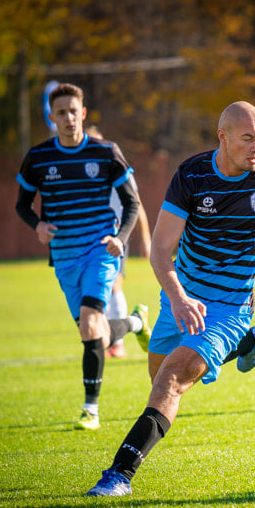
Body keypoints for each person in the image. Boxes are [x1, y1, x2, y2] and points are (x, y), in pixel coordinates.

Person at [86, 101, 255, 497]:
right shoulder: (192, 175)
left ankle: (118, 476)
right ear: (223, 137)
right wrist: (177, 299)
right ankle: (248, 344)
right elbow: (161, 248)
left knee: (172, 380)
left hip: (230, 307)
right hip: (182, 300)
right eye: (248, 138)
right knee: (158, 379)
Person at [15, 83, 151, 432]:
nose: (69, 118)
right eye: (61, 113)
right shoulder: (39, 158)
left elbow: (133, 202)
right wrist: (38, 224)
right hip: (64, 257)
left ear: (83, 113)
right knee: (94, 334)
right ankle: (135, 323)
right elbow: (22, 204)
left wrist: (121, 238)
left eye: (74, 111)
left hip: (100, 252)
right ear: (52, 118)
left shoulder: (106, 152)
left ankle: (91, 410)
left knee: (92, 322)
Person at [85, 125, 153, 359]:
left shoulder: (116, 168)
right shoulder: (80, 173)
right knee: (95, 290)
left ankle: (118, 342)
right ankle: (123, 327)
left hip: (115, 237)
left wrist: (145, 239)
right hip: (88, 241)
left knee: (114, 285)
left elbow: (136, 204)